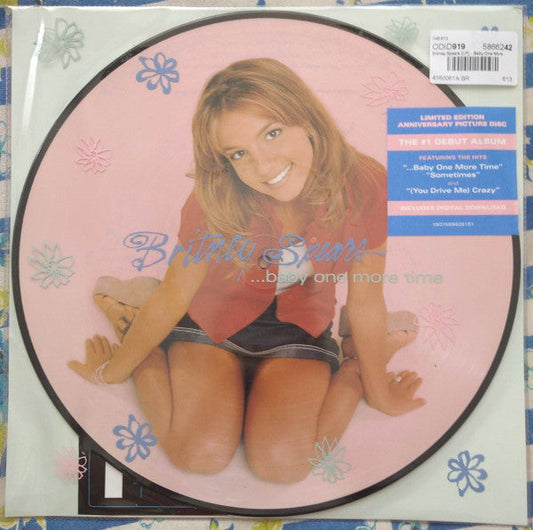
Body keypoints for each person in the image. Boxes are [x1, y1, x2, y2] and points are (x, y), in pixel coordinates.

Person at [69, 58, 424, 484]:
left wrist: (377, 391)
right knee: (198, 456)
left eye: (272, 133)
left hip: (300, 328)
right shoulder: (216, 196)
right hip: (212, 322)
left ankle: (354, 366)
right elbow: (175, 295)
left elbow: (366, 297)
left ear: (306, 119)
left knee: (285, 466)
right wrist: (113, 371)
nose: (264, 166)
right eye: (238, 153)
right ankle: (142, 341)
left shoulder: (366, 183)